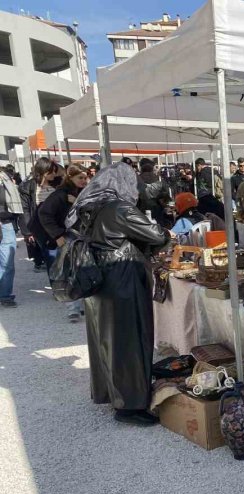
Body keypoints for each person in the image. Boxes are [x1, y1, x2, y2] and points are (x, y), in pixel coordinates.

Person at [72, 163, 170, 426]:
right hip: (122, 277)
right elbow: (156, 235)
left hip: (100, 278)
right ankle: (130, 405)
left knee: (107, 339)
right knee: (130, 340)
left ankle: (110, 393)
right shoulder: (120, 209)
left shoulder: (92, 207)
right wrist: (165, 233)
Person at [35, 164, 89, 321]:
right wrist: (57, 235)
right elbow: (44, 214)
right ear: (70, 177)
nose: (84, 180)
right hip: (68, 238)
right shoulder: (61, 194)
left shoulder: (83, 193)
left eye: (85, 178)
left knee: (85, 271)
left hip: (83, 238)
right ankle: (73, 308)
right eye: (80, 177)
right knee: (69, 273)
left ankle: (83, 305)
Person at [18, 158, 55, 272]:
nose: (54, 174)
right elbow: (25, 210)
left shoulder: (57, 184)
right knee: (51, 257)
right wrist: (28, 232)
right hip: (40, 227)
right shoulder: (27, 187)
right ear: (44, 172)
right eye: (51, 171)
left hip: (57, 226)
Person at [0, 166, 24, 308]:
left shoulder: (6, 180)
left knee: (7, 263)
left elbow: (16, 208)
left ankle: (5, 296)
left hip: (6, 224)